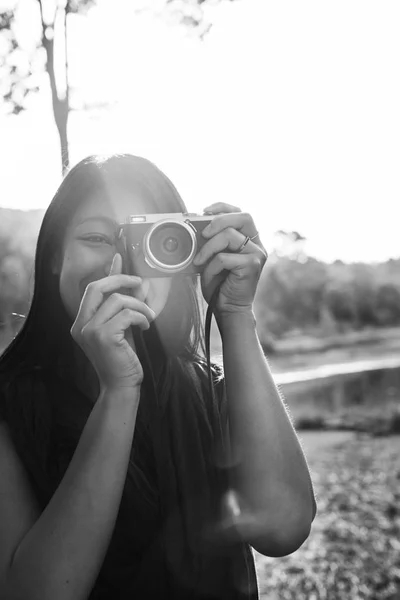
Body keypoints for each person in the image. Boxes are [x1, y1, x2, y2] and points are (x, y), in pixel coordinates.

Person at [0, 154, 317, 600]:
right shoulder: (10, 407)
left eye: (154, 241)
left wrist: (235, 315)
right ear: (55, 256)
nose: (122, 262)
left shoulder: (208, 391)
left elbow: (283, 529)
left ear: (186, 259)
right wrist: (119, 391)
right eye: (96, 237)